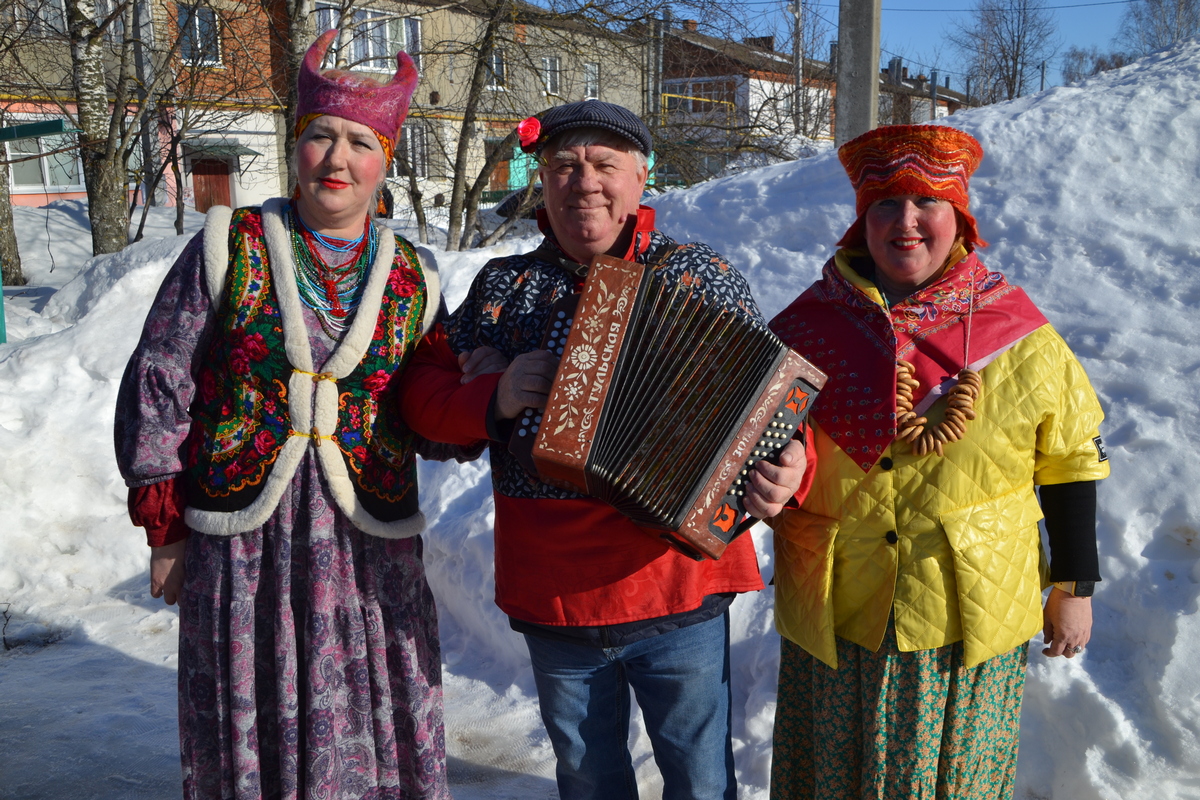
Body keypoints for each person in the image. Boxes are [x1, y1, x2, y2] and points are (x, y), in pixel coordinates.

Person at [113, 31, 499, 799]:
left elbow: (429, 397)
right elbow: (160, 378)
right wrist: (167, 529)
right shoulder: (232, 244)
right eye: (321, 135)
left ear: (384, 161)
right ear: (297, 147)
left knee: (367, 704)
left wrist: (489, 401)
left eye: (361, 142)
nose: (337, 157)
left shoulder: (412, 276)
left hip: (367, 547)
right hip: (246, 545)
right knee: (253, 703)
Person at [398, 100, 807, 800]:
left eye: (603, 165)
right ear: (543, 182)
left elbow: (770, 405)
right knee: (589, 780)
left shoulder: (696, 276)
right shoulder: (503, 291)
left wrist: (793, 469)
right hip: (555, 597)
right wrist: (491, 399)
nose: (583, 181)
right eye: (563, 166)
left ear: (640, 178)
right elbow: (418, 405)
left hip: (679, 584)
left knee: (701, 778)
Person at [766, 124, 1110, 799]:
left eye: (927, 201)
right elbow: (756, 449)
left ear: (960, 217)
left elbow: (1070, 464)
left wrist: (1075, 588)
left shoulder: (1021, 339)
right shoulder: (807, 330)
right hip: (840, 606)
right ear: (861, 221)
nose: (906, 222)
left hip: (966, 610)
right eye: (885, 204)